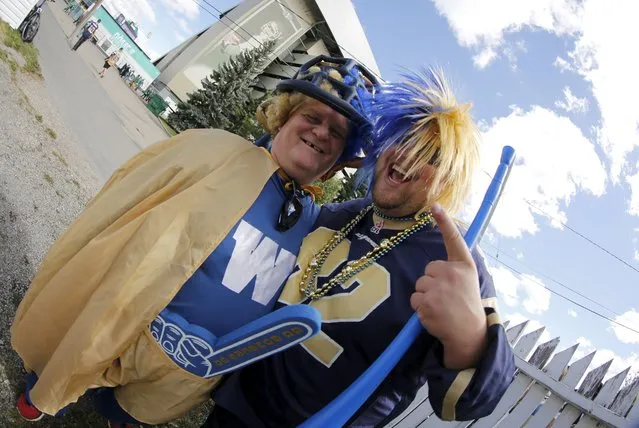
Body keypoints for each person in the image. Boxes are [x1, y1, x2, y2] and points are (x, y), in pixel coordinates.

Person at [11, 56, 378, 427]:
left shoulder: (313, 220)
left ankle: (118, 415)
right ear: (283, 116)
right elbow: (128, 208)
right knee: (78, 354)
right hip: (132, 319)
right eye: (312, 117)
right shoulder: (214, 150)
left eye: (337, 132)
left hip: (192, 364)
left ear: (340, 158)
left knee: (134, 412)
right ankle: (43, 389)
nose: (321, 133)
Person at [205, 68, 517, 427]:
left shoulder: (457, 262)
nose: (409, 158)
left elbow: (468, 405)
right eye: (404, 140)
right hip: (234, 407)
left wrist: (471, 340)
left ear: (448, 181)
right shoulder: (336, 214)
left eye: (430, 157)